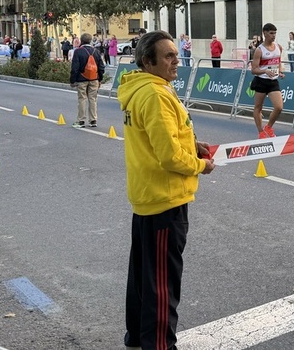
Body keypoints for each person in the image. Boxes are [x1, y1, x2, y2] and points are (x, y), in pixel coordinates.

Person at [117, 30, 215, 350]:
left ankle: (138, 335)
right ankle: (158, 344)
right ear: (149, 61)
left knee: (144, 276)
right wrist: (201, 165)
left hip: (148, 196)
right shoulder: (156, 94)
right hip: (164, 199)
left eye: (177, 54)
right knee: (162, 282)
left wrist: (193, 144)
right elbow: (170, 156)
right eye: (169, 56)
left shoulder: (147, 88)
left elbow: (165, 138)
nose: (177, 61)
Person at [251, 23, 285, 139]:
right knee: (258, 108)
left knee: (279, 107)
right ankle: (261, 132)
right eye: (271, 33)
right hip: (261, 81)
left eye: (275, 33)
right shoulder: (259, 50)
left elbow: (279, 62)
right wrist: (265, 71)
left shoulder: (278, 47)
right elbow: (253, 70)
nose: (273, 36)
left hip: (273, 81)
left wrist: (280, 71)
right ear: (264, 33)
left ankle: (269, 127)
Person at [70, 32, 105, 128]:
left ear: (81, 41)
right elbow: (101, 67)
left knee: (82, 99)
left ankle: (81, 120)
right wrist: (100, 79)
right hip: (94, 78)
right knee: (93, 99)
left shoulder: (78, 51)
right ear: (90, 41)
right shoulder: (96, 51)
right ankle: (93, 120)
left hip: (82, 79)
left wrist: (72, 80)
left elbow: (75, 68)